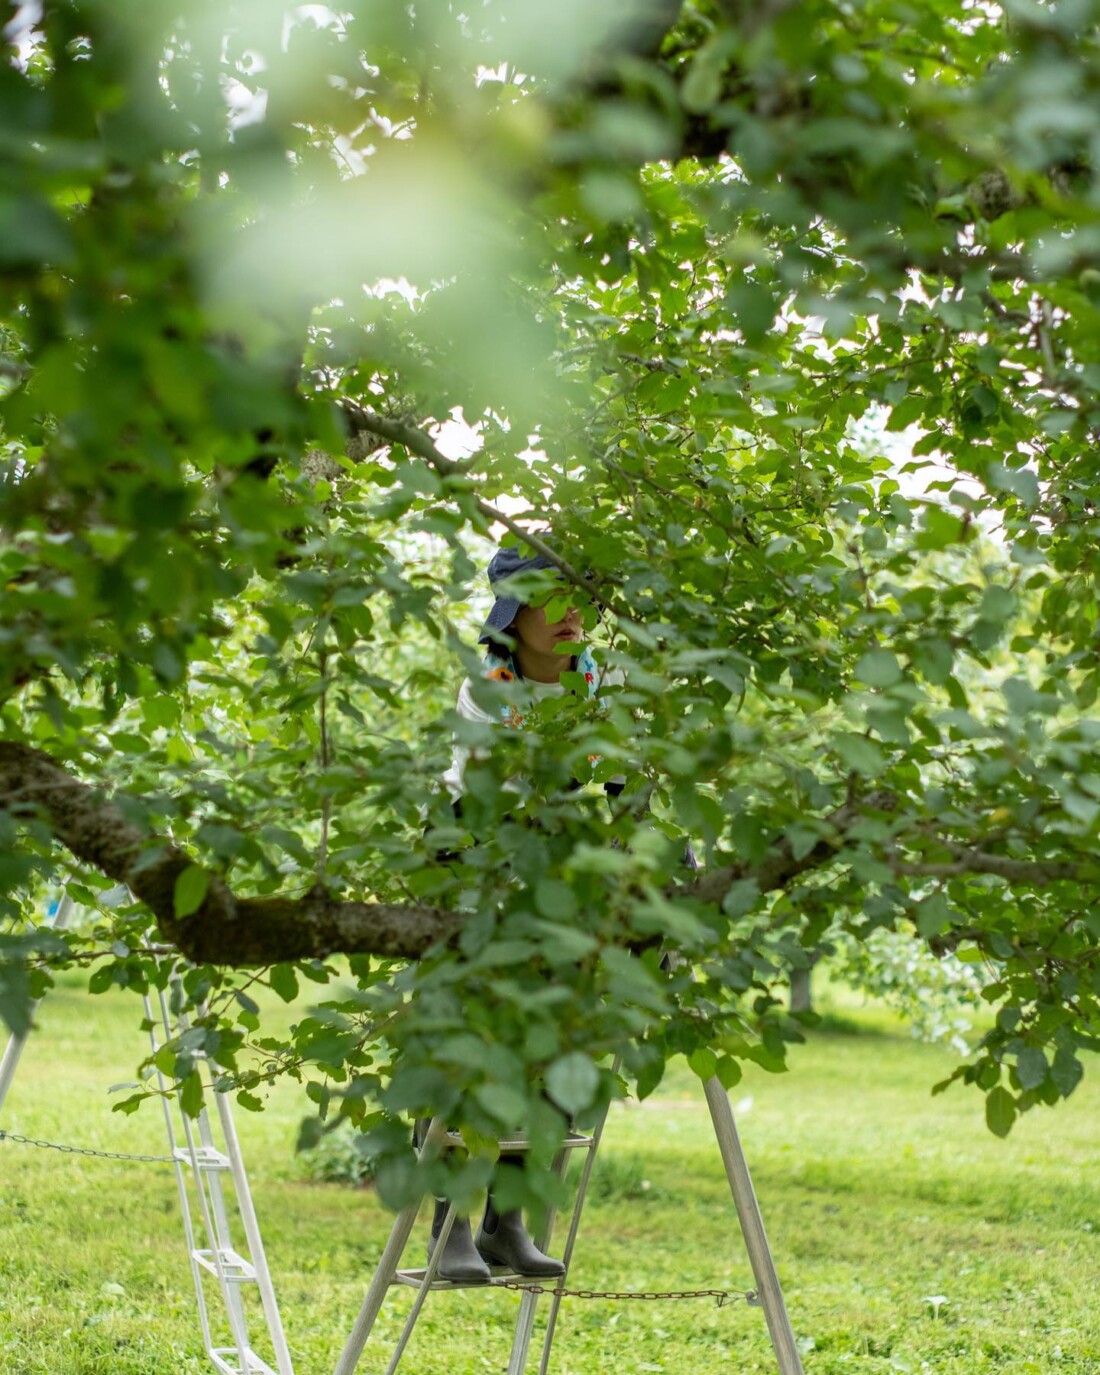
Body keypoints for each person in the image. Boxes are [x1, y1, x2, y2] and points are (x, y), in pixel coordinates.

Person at [427, 538, 613, 1285]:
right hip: (474, 851)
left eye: (578, 600)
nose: (570, 616)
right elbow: (484, 803)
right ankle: (451, 1229)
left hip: (560, 863)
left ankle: (510, 1223)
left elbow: (631, 780)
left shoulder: (604, 682)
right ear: (513, 614)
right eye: (547, 600)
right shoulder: (490, 685)